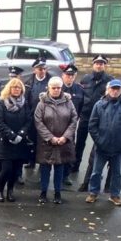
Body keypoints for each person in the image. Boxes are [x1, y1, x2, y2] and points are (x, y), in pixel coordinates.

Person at [86, 78, 121, 206]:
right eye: (113, 88)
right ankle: (93, 193)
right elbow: (92, 125)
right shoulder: (99, 104)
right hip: (102, 147)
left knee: (117, 173)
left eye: (117, 89)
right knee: (96, 172)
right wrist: (99, 141)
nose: (115, 91)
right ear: (108, 89)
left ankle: (115, 195)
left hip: (119, 148)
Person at [34, 76, 78, 205]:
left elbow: (74, 120)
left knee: (59, 169)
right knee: (45, 168)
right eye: (54, 88)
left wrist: (65, 137)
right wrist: (50, 137)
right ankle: (43, 192)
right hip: (46, 143)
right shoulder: (42, 103)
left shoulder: (68, 102)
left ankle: (58, 193)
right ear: (48, 87)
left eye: (59, 87)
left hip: (63, 142)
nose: (57, 90)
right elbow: (38, 121)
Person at [0, 78, 33, 202]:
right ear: (9, 88)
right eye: (14, 87)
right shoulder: (1, 103)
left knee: (16, 170)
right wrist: (11, 135)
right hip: (5, 142)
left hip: (19, 142)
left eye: (19, 87)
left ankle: (10, 190)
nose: (16, 89)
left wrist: (21, 134)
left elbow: (28, 120)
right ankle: (0, 190)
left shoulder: (24, 103)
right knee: (6, 169)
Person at [73, 56, 113, 176]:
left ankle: (95, 170)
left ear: (104, 65)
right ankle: (75, 165)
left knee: (98, 144)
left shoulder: (109, 80)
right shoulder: (85, 79)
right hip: (85, 116)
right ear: (93, 65)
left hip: (100, 118)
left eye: (101, 63)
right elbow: (80, 97)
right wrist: (78, 113)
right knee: (79, 142)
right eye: (97, 63)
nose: (99, 65)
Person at [59, 65, 84, 186]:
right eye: (67, 75)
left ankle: (65, 175)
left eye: (72, 76)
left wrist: (75, 120)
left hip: (70, 126)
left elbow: (81, 106)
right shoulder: (57, 88)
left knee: (68, 150)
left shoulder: (79, 89)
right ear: (62, 76)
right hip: (56, 124)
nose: (70, 78)